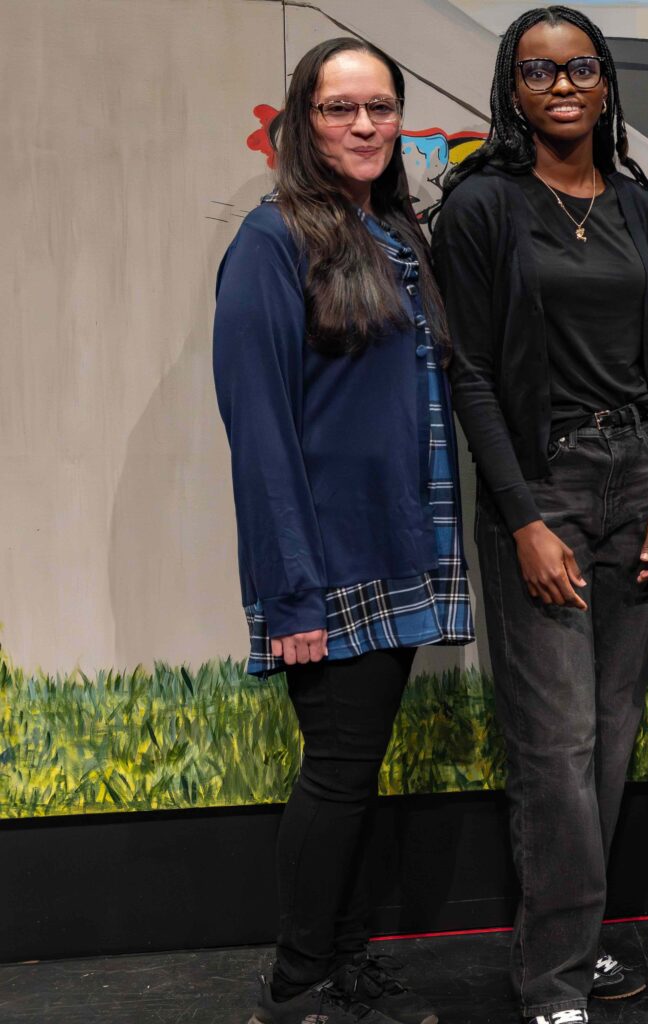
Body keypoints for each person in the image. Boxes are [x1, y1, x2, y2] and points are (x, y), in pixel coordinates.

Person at [430, 6, 648, 1023]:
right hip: (548, 487)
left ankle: (572, 945)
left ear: (607, 80)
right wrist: (524, 514)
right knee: (556, 739)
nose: (563, 85)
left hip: (635, 476)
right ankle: (552, 977)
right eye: (539, 72)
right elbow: (474, 375)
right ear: (512, 88)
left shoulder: (632, 201)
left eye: (581, 67)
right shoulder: (484, 206)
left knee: (612, 737)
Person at [214, 36, 465, 1024]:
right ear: (300, 122)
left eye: (378, 108)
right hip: (332, 560)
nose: (362, 126)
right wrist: (292, 588)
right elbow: (259, 427)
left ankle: (347, 961)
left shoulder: (401, 234)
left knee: (356, 772)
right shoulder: (273, 240)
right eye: (337, 109)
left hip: (404, 546)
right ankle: (300, 979)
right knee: (339, 770)